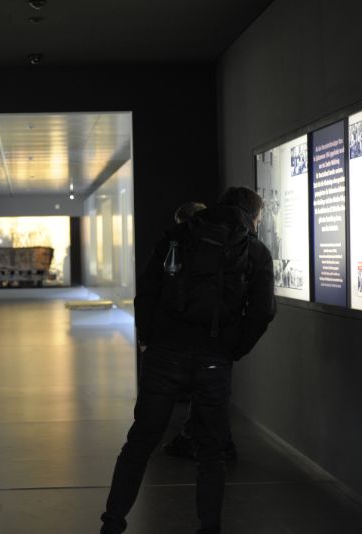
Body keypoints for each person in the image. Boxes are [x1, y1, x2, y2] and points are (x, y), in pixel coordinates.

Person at [100, 186, 276, 534]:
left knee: (140, 443)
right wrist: (231, 349)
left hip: (165, 355)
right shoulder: (255, 251)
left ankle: (112, 523)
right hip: (214, 359)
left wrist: (151, 338)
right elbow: (262, 312)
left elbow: (147, 292)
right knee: (211, 452)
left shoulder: (178, 236)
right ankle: (208, 528)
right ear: (254, 216)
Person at [162, 201, 238, 462]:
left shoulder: (187, 251)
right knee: (212, 396)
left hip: (200, 338)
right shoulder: (229, 246)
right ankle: (214, 444)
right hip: (217, 338)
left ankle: (209, 444)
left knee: (206, 394)